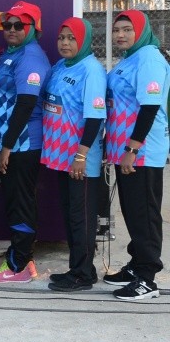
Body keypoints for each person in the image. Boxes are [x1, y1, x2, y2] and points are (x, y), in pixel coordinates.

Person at [102, 9, 170, 301]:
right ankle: (136, 263)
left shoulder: (149, 58)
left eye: (127, 29)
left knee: (144, 214)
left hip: (141, 151)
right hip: (125, 151)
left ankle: (147, 278)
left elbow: (149, 107)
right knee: (132, 211)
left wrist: (132, 148)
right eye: (117, 30)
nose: (120, 35)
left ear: (141, 31)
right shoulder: (130, 58)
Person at [0, 1, 50, 283]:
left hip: (21, 145)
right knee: (16, 202)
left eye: (19, 25)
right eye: (7, 24)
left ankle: (17, 265)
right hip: (8, 145)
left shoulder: (31, 57)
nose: (11, 29)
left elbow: (25, 105)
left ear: (32, 28)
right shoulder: (12, 53)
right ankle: (23, 257)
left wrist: (7, 147)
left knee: (20, 204)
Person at [42, 17, 107, 292]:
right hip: (61, 157)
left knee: (82, 218)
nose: (65, 43)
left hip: (81, 160)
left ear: (84, 40)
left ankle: (82, 276)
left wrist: (81, 156)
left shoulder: (92, 70)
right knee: (71, 217)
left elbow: (95, 117)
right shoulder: (60, 66)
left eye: (71, 38)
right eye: (62, 38)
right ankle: (79, 269)